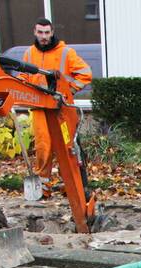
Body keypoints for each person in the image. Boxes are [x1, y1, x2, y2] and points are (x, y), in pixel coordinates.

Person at [20, 18, 92, 197]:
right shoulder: (29, 54)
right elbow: (23, 78)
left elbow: (85, 73)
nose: (44, 37)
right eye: (40, 32)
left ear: (52, 33)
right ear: (35, 32)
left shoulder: (66, 53)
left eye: (47, 33)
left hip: (61, 110)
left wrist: (68, 92)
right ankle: (43, 186)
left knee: (67, 146)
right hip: (39, 108)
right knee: (43, 146)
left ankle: (71, 185)